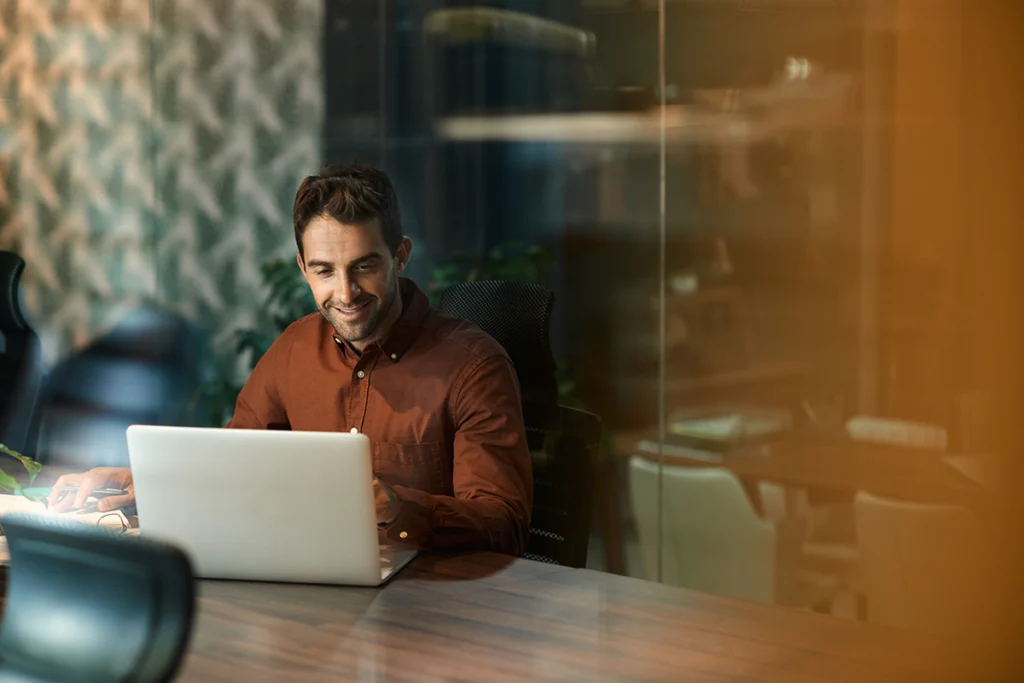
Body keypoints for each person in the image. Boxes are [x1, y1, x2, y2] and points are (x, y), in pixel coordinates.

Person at [49, 163, 533, 556]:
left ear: (400, 256)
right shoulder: (296, 347)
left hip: (433, 610)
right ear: (302, 267)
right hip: (306, 592)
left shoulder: (473, 365)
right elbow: (231, 465)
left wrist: (396, 508)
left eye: (365, 266)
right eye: (324, 271)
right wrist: (138, 481)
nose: (345, 293)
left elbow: (504, 524)